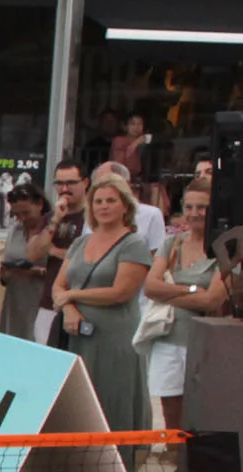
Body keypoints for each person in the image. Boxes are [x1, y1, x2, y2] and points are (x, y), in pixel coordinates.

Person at [51, 176, 155, 444]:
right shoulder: (80, 243)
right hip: (76, 336)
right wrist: (71, 310)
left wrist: (72, 295)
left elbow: (120, 292)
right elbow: (58, 286)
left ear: (125, 206)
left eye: (111, 200)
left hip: (113, 339)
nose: (104, 206)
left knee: (111, 401)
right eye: (98, 201)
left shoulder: (133, 244)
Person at [141, 179, 229, 431]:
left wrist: (167, 293)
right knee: (172, 418)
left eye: (201, 207)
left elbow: (212, 299)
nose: (193, 213)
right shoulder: (172, 243)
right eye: (188, 207)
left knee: (204, 416)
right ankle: (175, 465)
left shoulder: (226, 248)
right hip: (168, 338)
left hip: (205, 344)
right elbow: (150, 287)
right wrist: (191, 290)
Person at [0, 183, 54, 342]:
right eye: (17, 214)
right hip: (15, 302)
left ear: (40, 205)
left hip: (42, 300)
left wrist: (36, 271)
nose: (22, 218)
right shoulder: (16, 230)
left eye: (26, 213)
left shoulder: (52, 230)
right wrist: (5, 273)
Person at [93, 160, 166, 252]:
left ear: (127, 184)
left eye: (110, 183)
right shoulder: (92, 214)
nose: (104, 206)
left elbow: (157, 255)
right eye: (99, 184)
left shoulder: (151, 214)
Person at [109, 113, 150, 181]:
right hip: (121, 178)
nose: (137, 127)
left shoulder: (144, 142)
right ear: (125, 126)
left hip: (140, 179)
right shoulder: (119, 141)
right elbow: (119, 163)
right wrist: (135, 144)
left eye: (140, 124)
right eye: (133, 124)